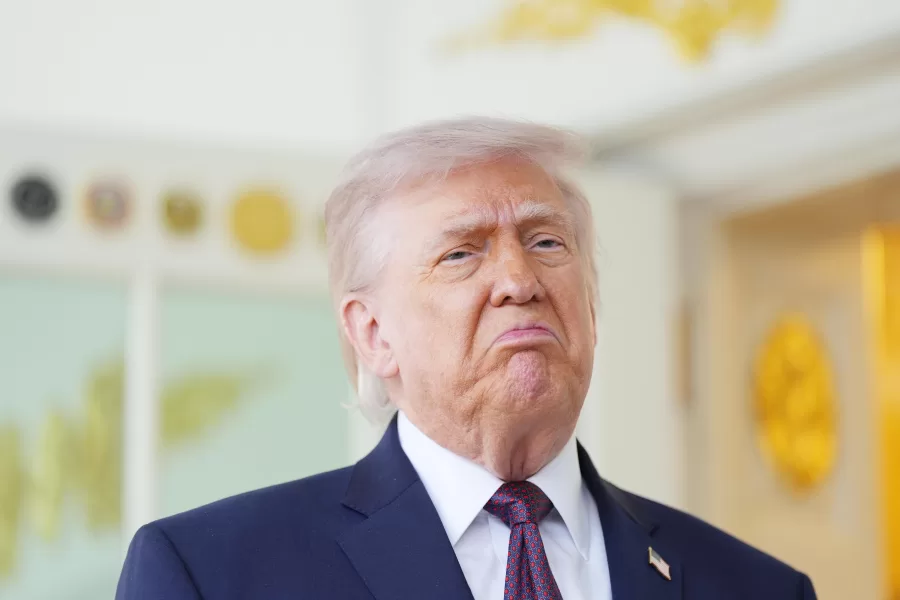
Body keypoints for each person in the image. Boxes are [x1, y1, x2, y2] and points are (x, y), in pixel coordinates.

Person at [116, 117, 817, 600]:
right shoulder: (215, 574)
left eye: (546, 242)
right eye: (462, 253)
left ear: (593, 308)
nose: (519, 280)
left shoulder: (753, 587)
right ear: (372, 334)